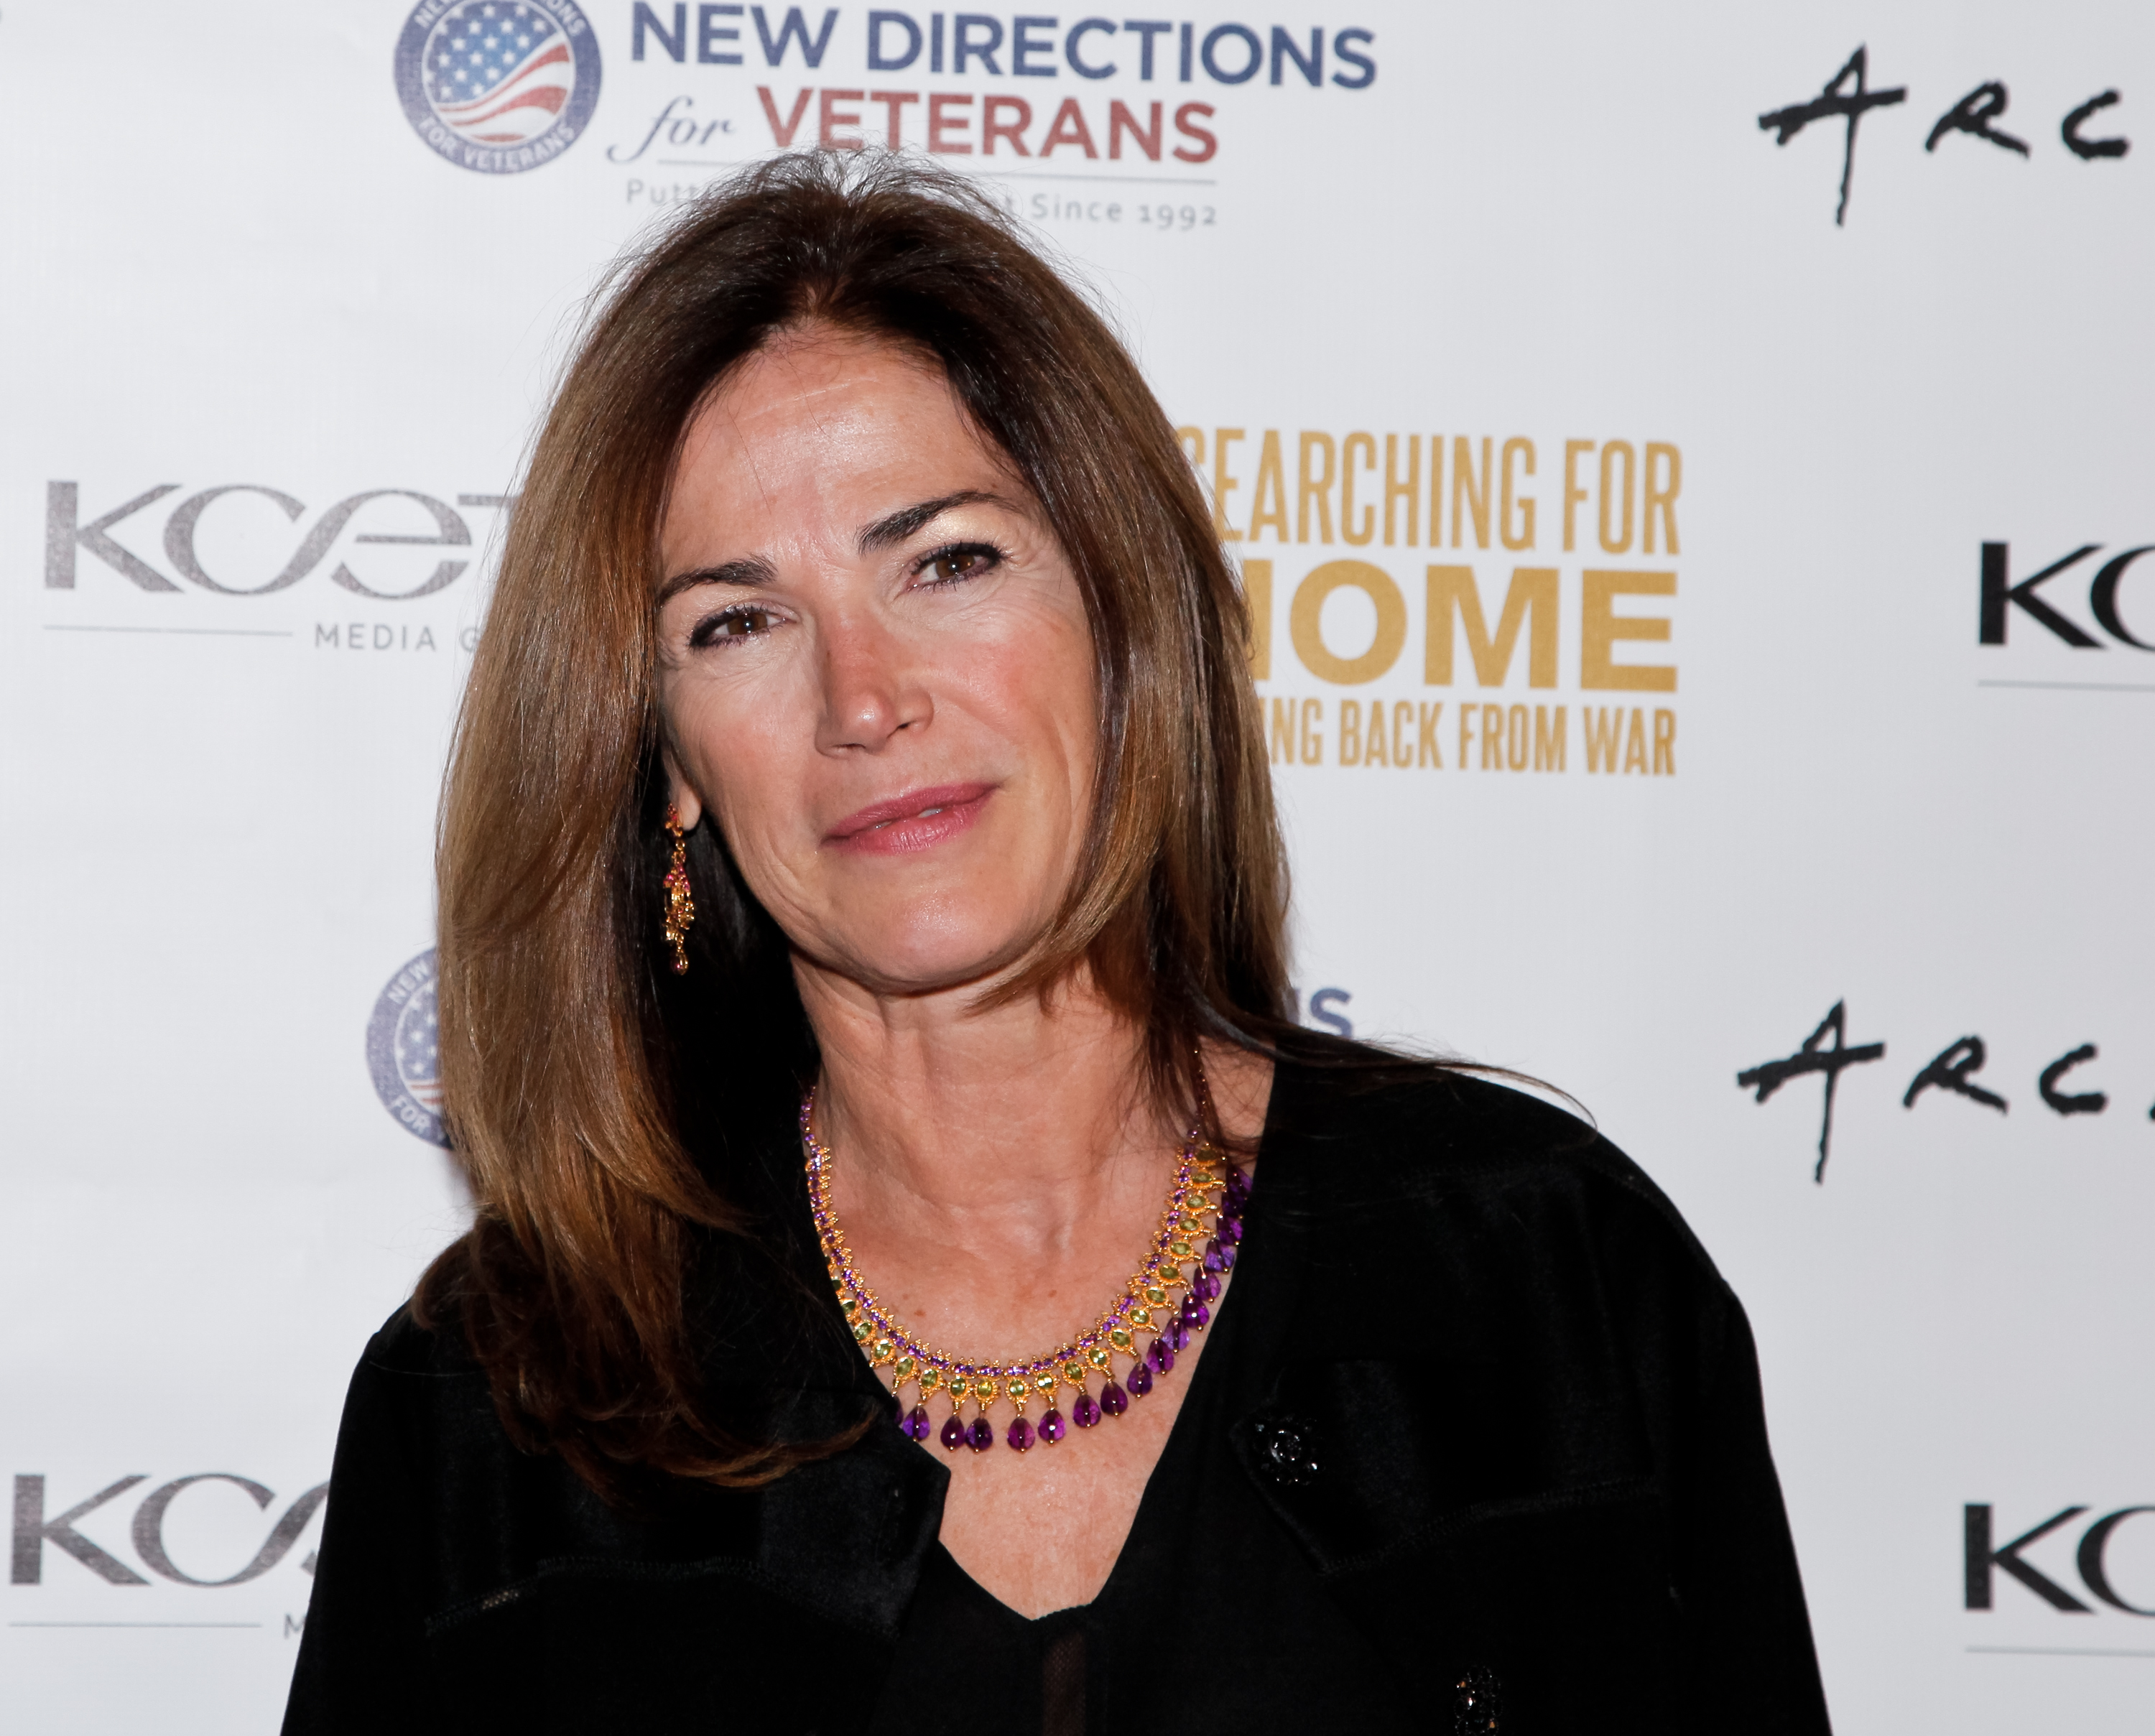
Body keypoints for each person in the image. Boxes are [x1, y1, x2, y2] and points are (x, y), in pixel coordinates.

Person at [284, 152, 1830, 1735]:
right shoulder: (502, 1403)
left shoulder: (1545, 1278)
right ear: (666, 758)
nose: (865, 697)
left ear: (1119, 618)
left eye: (946, 559)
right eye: (737, 621)